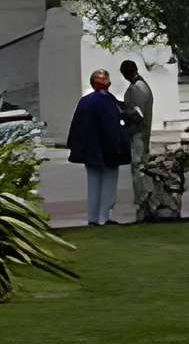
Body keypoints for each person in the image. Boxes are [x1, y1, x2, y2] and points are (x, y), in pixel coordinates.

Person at [65, 67, 129, 227]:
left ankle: (93, 217)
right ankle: (104, 216)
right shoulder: (109, 102)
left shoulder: (85, 101)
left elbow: (76, 127)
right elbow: (113, 128)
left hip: (91, 151)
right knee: (108, 183)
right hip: (108, 150)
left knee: (93, 183)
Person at [119, 59, 154, 205]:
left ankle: (143, 197)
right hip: (141, 130)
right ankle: (143, 196)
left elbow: (137, 114)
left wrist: (121, 111)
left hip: (138, 131)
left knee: (138, 165)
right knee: (140, 164)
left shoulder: (137, 88)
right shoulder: (141, 85)